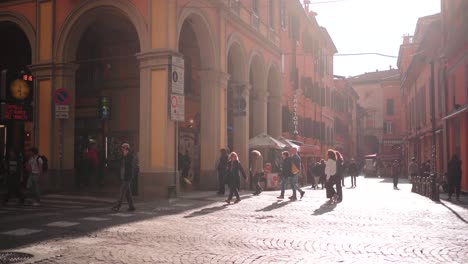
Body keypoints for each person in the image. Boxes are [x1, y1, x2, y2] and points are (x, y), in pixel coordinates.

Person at [111, 143, 136, 212]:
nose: (122, 149)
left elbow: (129, 164)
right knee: (128, 193)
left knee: (122, 192)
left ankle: (117, 206)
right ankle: (131, 206)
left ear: (126, 148)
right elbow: (119, 162)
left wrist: (125, 156)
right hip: (123, 175)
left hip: (127, 176)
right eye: (122, 148)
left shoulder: (130, 155)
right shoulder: (122, 155)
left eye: (123, 148)